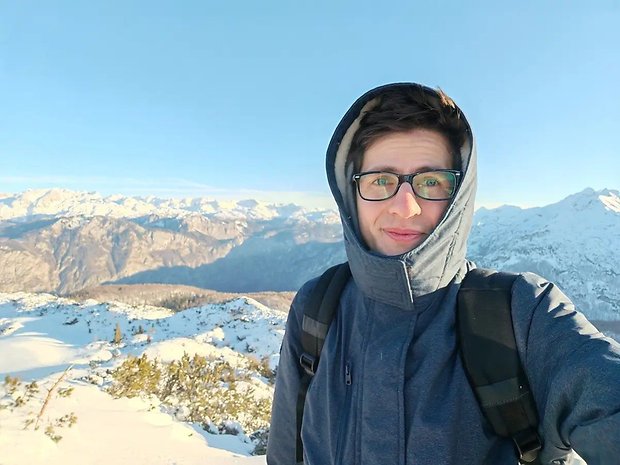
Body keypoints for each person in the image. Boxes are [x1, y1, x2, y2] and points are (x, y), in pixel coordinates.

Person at [266, 83, 620, 464]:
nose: (405, 207)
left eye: (431, 181)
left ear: (459, 196)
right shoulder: (317, 310)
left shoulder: (523, 315)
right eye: (381, 180)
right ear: (351, 192)